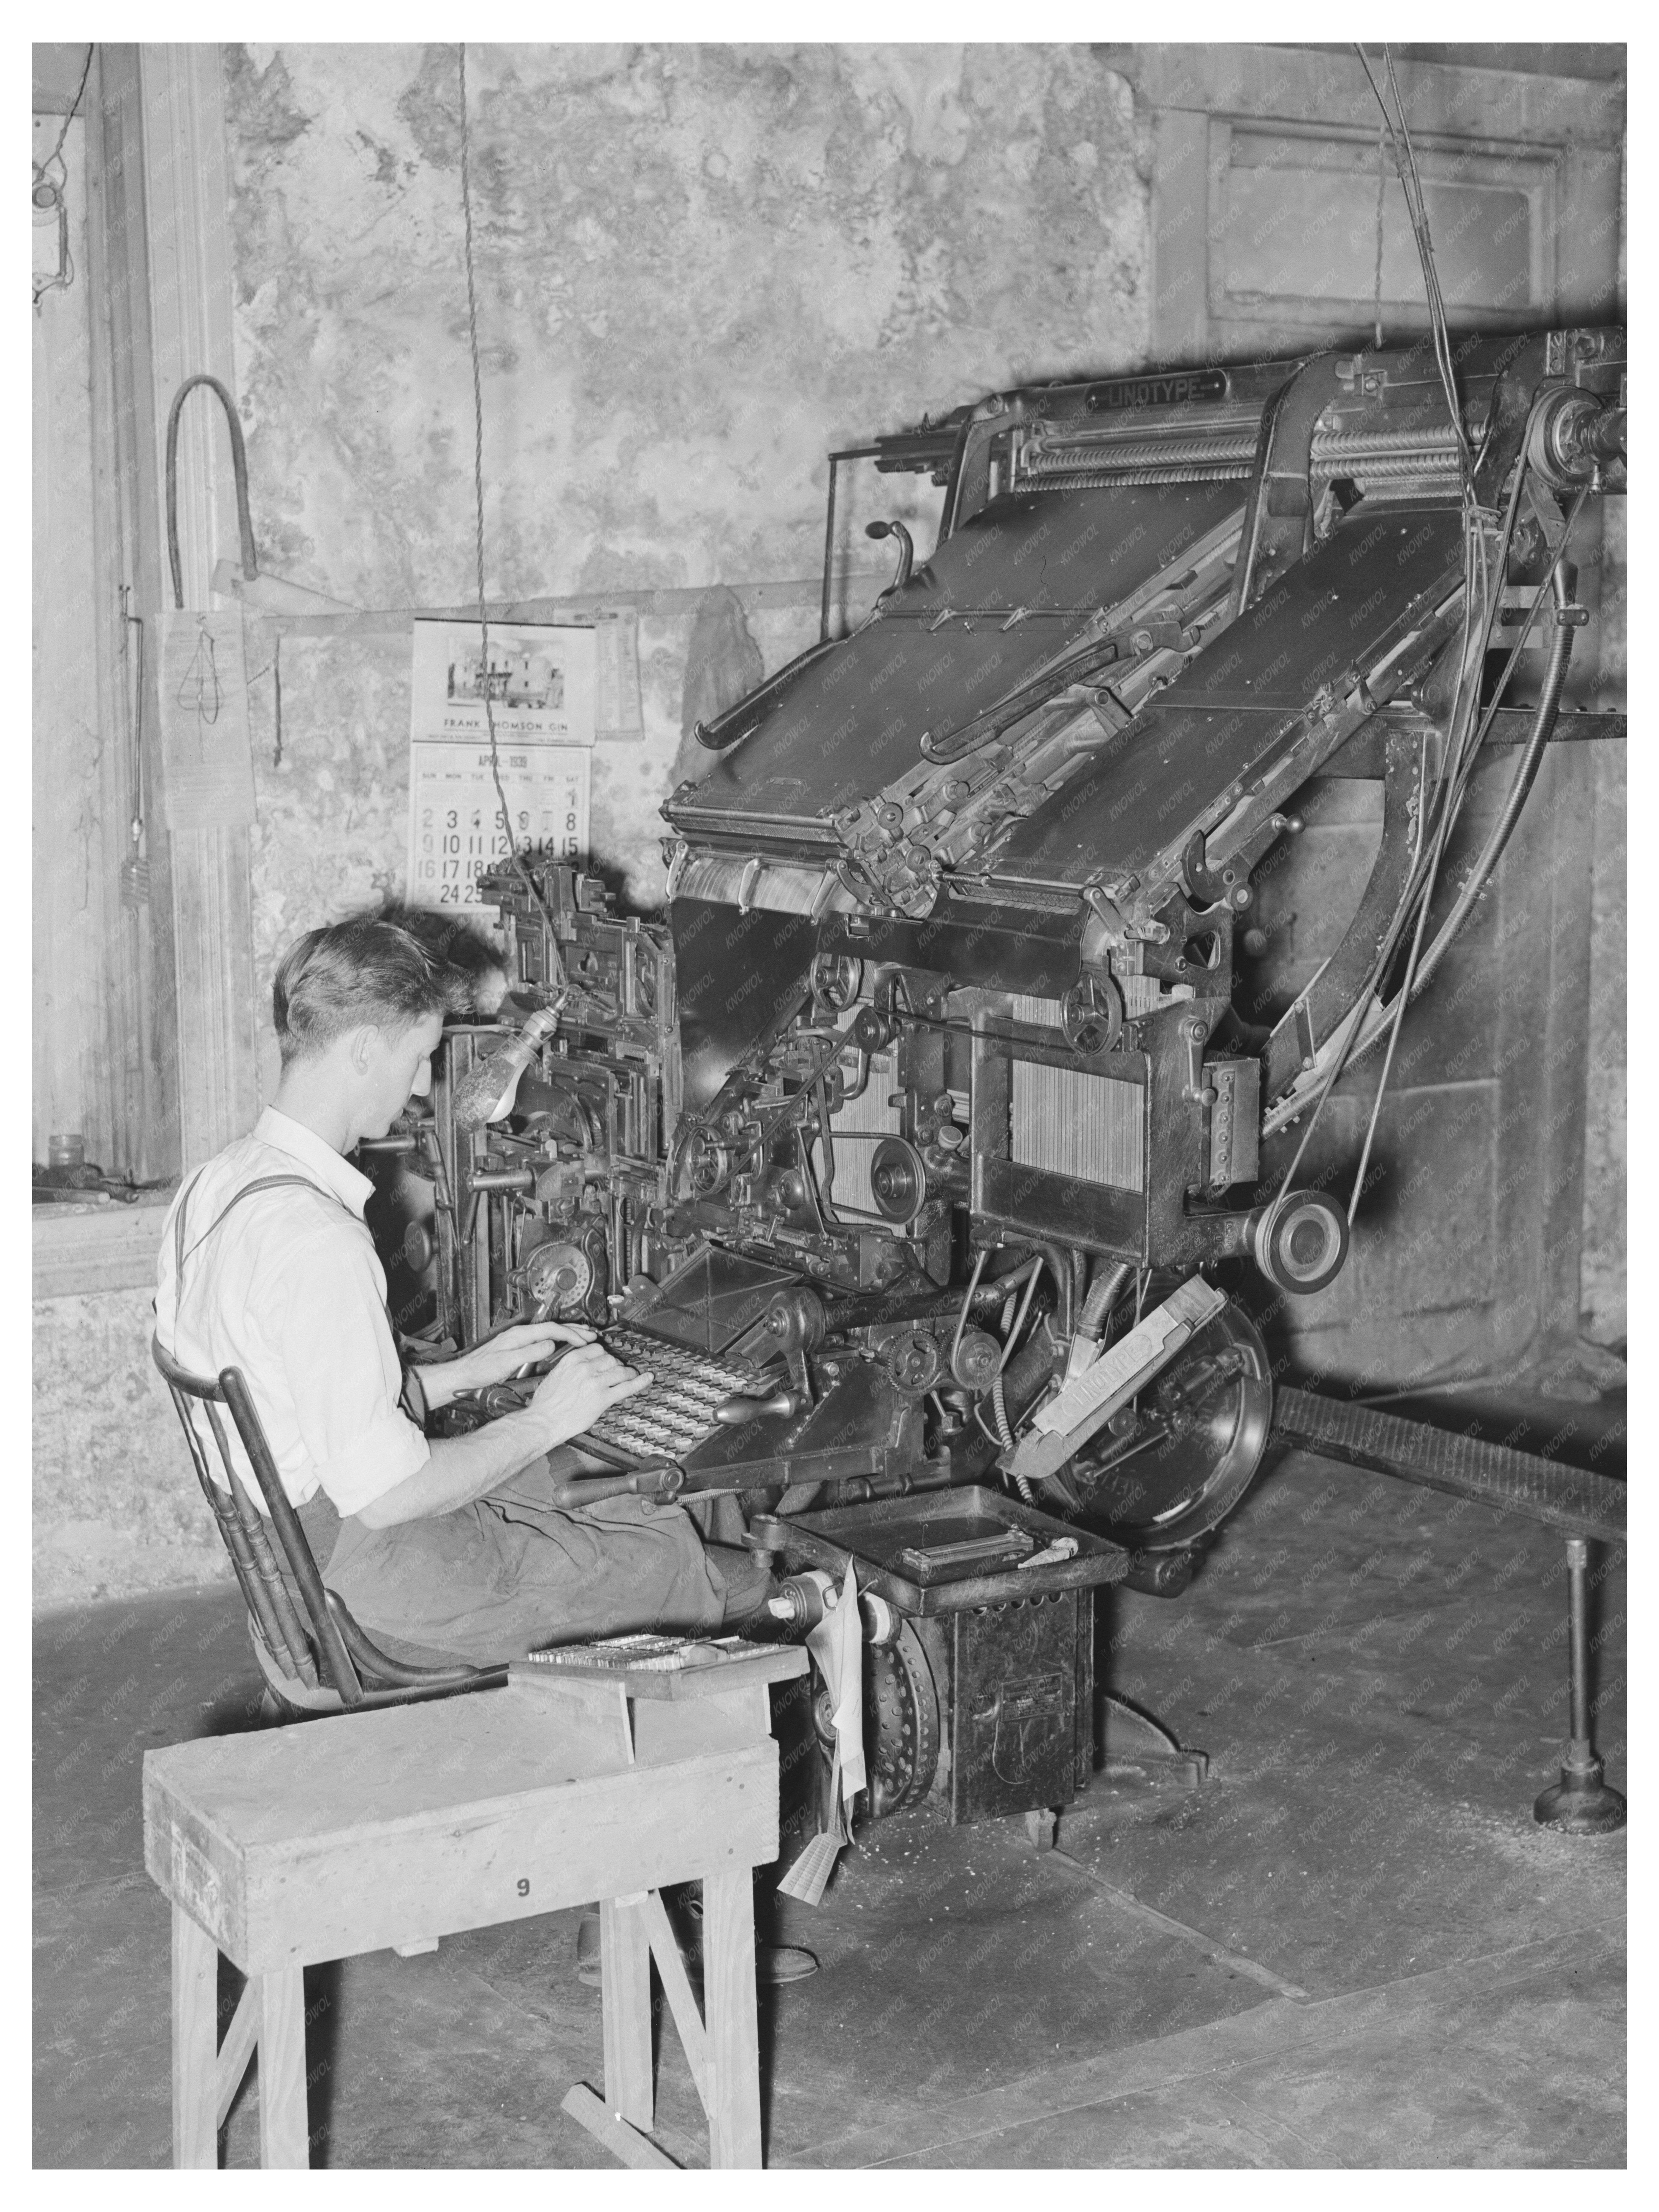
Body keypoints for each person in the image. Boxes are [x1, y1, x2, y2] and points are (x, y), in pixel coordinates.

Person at [154, 914, 768, 1668]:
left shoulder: (212, 1188)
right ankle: (785, 1656)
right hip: (372, 1590)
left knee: (622, 1496)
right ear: (361, 1050)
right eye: (419, 1056)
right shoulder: (318, 1243)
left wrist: (467, 1373)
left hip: (301, 1562)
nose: (422, 1085)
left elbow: (300, 1398)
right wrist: (544, 1421)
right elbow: (389, 1496)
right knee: (676, 1561)